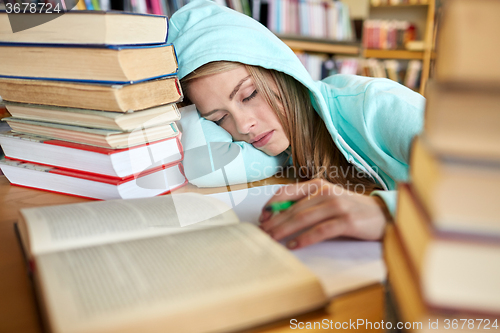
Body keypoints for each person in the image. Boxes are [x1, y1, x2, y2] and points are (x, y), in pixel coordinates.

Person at [168, 0, 425, 249]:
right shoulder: (283, 143)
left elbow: (466, 192)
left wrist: (385, 211)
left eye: (250, 95)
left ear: (281, 70)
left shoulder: (376, 105)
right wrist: (180, 106)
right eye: (219, 118)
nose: (244, 126)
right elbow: (205, 167)